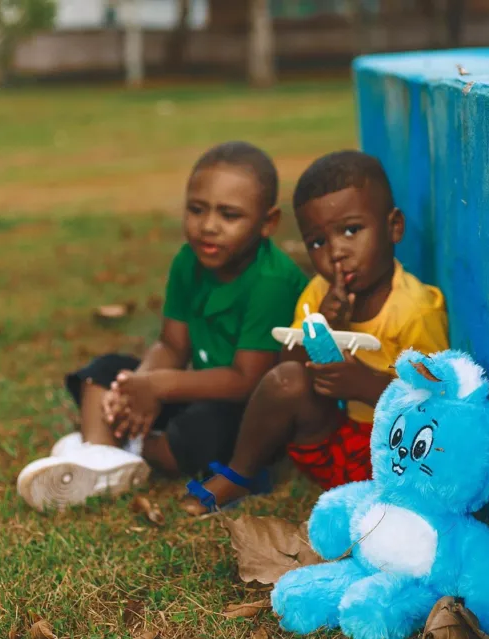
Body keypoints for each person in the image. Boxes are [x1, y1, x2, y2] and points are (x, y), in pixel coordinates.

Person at [17, 141, 308, 512]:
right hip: (198, 386)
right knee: (103, 372)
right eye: (196, 209)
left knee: (199, 430)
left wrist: (157, 386)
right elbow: (172, 346)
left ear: (268, 223)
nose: (208, 226)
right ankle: (101, 456)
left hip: (251, 412)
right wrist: (136, 386)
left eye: (229, 215)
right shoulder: (189, 261)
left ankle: (114, 450)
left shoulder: (272, 280)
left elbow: (245, 380)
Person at [183, 150, 449, 515]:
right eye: (318, 242)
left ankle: (380, 512)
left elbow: (437, 406)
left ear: (394, 227)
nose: (336, 252)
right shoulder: (317, 293)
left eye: (351, 230)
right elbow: (285, 368)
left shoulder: (414, 310)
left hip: (399, 457)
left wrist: (364, 384)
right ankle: (240, 474)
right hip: (334, 446)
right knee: (286, 380)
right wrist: (326, 327)